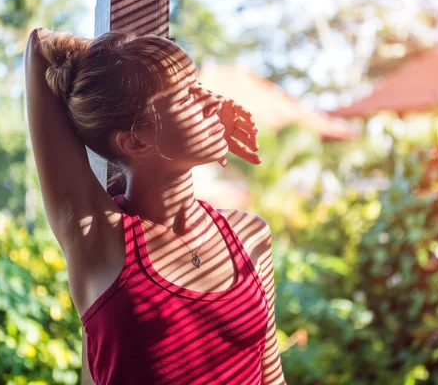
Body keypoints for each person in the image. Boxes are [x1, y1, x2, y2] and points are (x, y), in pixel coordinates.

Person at [24, 27, 285, 385]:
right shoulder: (97, 239)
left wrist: (157, 72)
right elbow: (39, 47)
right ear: (135, 140)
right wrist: (117, 70)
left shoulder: (249, 234)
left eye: (198, 85)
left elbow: (271, 377)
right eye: (185, 97)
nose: (213, 101)